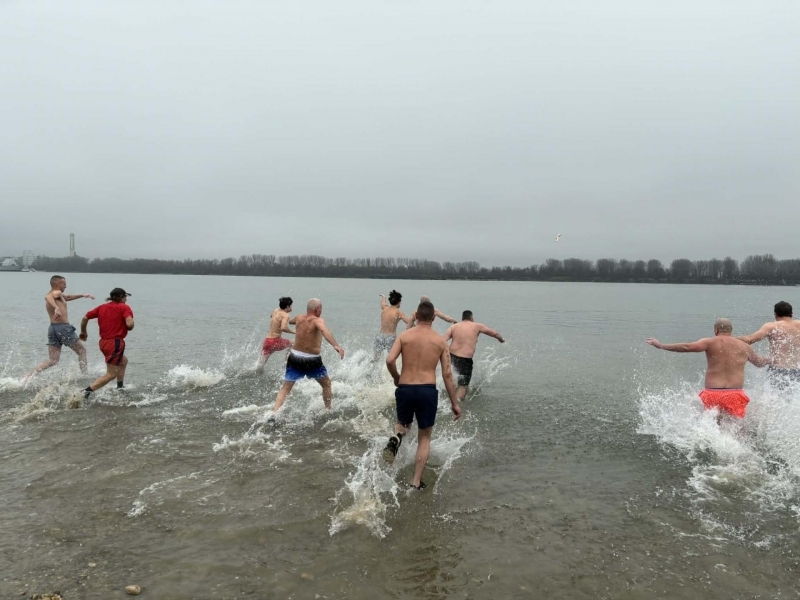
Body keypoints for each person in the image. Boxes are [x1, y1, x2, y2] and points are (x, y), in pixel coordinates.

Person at [383, 300, 461, 490]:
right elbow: (447, 374)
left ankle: (397, 437)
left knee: (402, 424)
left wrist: (396, 377)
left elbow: (390, 360)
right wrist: (454, 403)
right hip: (427, 390)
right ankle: (416, 482)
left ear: (416, 316)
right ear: (434, 318)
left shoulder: (404, 335)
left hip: (405, 388)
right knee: (424, 438)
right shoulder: (440, 341)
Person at [646, 318, 771, 420]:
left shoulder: (709, 342)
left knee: (713, 425)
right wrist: (771, 359)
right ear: (731, 330)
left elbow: (686, 347)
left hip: (712, 393)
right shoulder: (744, 346)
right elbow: (759, 363)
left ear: (716, 330)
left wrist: (661, 345)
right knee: (738, 427)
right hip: (735, 394)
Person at [270, 298, 345, 417]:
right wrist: (336, 346)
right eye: (321, 308)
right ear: (317, 309)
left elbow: (290, 321)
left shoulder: (299, 318)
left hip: (294, 357)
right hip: (312, 360)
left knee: (286, 388)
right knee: (326, 384)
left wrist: (279, 313)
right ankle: (328, 410)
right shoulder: (318, 320)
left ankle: (274, 414)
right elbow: (324, 330)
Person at [25, 275, 94, 379]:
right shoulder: (55, 293)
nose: (66, 286)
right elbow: (47, 297)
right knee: (82, 351)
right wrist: (56, 308)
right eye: (64, 284)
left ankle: (28, 376)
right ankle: (85, 376)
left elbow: (67, 297)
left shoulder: (57, 295)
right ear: (57, 284)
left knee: (53, 360)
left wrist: (82, 295)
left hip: (53, 328)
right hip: (63, 328)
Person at [80, 288, 135, 398]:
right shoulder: (124, 307)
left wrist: (83, 332)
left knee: (123, 361)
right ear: (120, 297)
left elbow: (85, 318)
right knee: (111, 374)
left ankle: (120, 387)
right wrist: (130, 325)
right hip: (115, 343)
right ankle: (85, 392)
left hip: (103, 343)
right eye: (125, 297)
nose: (126, 299)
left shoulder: (102, 307)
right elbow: (129, 324)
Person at [737, 301, 800, 390]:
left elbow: (749, 340)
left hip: (778, 371)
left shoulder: (771, 326)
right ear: (792, 314)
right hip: (797, 370)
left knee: (776, 397)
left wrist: (728, 338)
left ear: (775, 314)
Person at [444, 310, 505, 402]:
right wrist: (501, 339)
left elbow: (442, 340)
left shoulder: (454, 327)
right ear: (472, 318)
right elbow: (494, 333)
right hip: (465, 360)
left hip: (451, 356)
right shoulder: (477, 325)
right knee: (463, 385)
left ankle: (448, 395)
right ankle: (456, 404)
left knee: (453, 377)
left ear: (462, 318)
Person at [256, 296, 295, 373]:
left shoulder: (276, 310)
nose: (292, 307)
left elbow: (272, 316)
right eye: (291, 305)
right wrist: (293, 332)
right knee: (293, 344)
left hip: (267, 341)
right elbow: (283, 328)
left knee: (260, 365)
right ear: (287, 306)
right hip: (275, 341)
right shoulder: (285, 315)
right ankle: (285, 366)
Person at [374, 290, 410, 359]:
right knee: (392, 358)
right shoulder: (399, 312)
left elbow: (383, 302)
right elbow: (409, 322)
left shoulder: (385, 308)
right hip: (390, 338)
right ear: (399, 302)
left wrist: (383, 297)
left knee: (376, 358)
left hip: (380, 337)